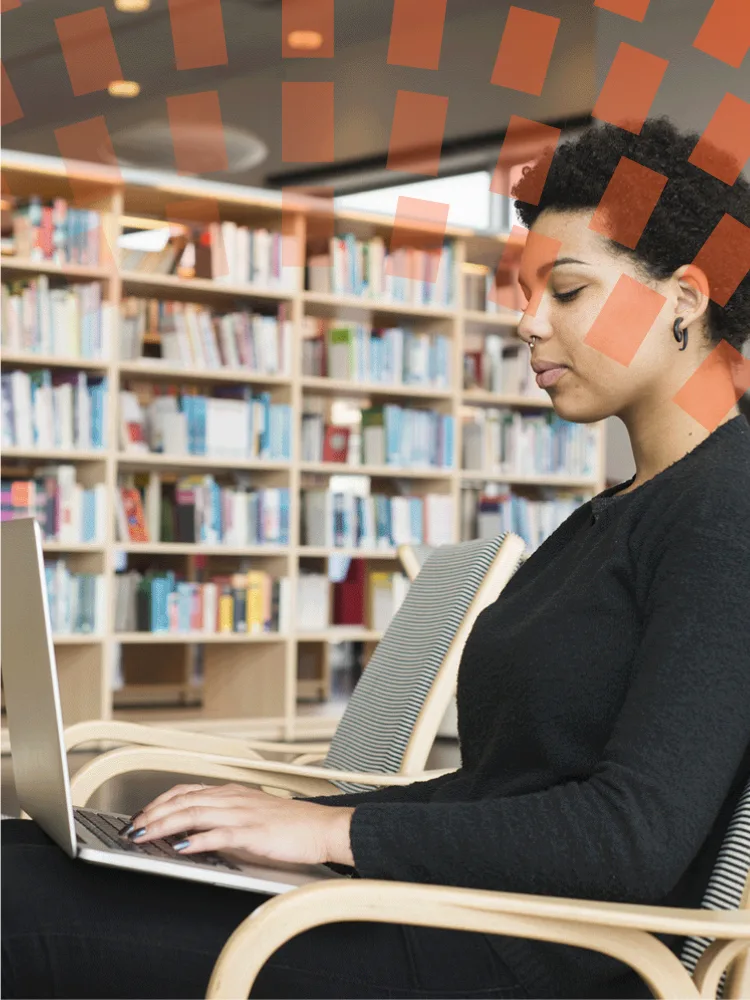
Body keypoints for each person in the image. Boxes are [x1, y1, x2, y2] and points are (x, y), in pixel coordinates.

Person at [3, 115, 750, 1000]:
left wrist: (330, 840)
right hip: (452, 912)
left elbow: (633, 835)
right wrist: (292, 822)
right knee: (19, 849)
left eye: (568, 290)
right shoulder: (621, 510)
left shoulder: (724, 511)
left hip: (515, 958)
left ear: (687, 298)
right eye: (522, 293)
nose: (526, 325)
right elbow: (494, 792)